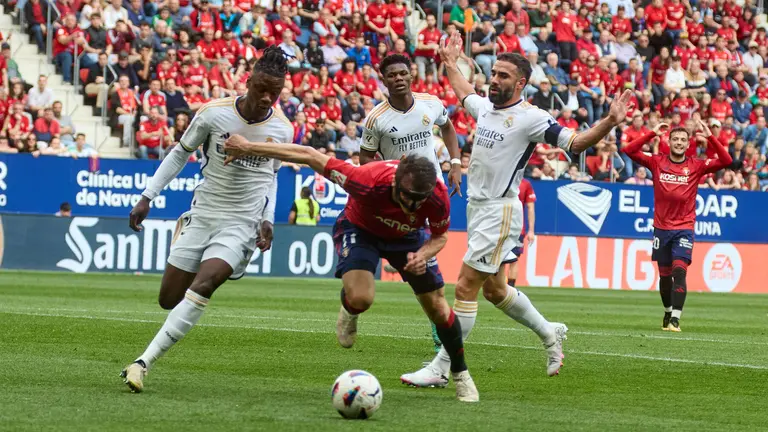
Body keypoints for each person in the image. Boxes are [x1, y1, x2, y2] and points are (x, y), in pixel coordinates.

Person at [401, 32, 634, 387]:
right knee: (495, 290)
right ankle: (549, 333)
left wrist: (609, 121)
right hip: (479, 210)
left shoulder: (531, 118)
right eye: (493, 73)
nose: (494, 80)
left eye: (503, 76)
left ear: (521, 83)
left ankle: (441, 367)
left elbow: (576, 143)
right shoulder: (486, 108)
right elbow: (464, 90)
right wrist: (450, 63)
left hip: (500, 212)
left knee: (464, 287)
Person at [222, 138, 479, 403]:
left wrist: (423, 254)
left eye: (418, 200)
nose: (413, 206)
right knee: (361, 298)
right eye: (407, 197)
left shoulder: (436, 195)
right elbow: (308, 153)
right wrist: (247, 146)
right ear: (395, 183)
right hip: (360, 229)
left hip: (408, 238)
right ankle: (349, 309)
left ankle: (461, 376)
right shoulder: (365, 179)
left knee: (438, 307)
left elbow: (440, 237)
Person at [120, 47, 294, 393]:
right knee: (169, 299)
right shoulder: (213, 115)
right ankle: (185, 233)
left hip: (242, 223)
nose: (265, 97)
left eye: (274, 92)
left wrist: (267, 219)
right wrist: (146, 197)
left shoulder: (282, 129)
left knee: (206, 283)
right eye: (261, 87)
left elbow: (272, 177)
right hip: (203, 214)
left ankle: (142, 363)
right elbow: (180, 153)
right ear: (248, 81)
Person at [622, 120, 732, 332]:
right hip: (661, 229)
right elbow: (629, 149)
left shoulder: (696, 165)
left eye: (683, 140)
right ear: (668, 141)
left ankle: (675, 319)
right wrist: (651, 133)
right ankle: (667, 310)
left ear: (688, 144)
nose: (679, 143)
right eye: (675, 139)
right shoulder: (656, 162)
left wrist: (711, 137)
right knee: (664, 276)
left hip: (684, 228)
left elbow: (726, 160)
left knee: (679, 272)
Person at [360, 54, 462, 194]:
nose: (399, 78)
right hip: (399, 191)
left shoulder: (431, 103)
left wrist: (456, 163)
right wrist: (391, 169)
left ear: (411, 76)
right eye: (392, 75)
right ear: (383, 81)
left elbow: (447, 126)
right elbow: (365, 158)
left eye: (403, 73)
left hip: (433, 184)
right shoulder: (375, 118)